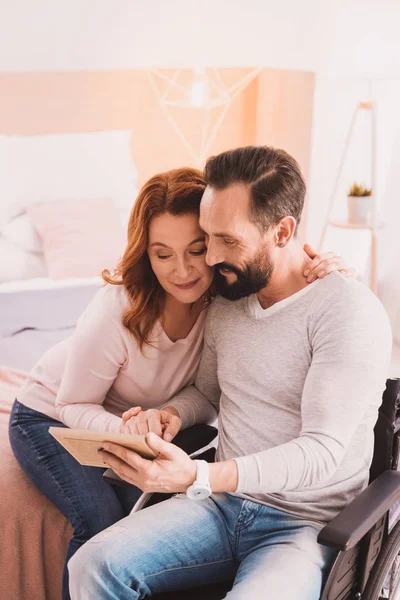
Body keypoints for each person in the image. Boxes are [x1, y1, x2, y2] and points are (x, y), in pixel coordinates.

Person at [68, 146, 392, 600]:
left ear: (282, 231)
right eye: (208, 237)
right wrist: (174, 415)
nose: (212, 258)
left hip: (302, 526)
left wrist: (198, 478)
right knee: (92, 565)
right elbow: (207, 392)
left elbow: (321, 451)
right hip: (220, 509)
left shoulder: (347, 312)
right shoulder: (228, 300)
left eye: (228, 241)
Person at [8, 166, 343, 600]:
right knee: (104, 521)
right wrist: (131, 432)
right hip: (52, 415)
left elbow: (206, 394)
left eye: (196, 250)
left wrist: (324, 267)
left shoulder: (226, 299)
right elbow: (72, 404)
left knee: (164, 503)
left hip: (145, 422)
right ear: (144, 253)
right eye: (161, 253)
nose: (181, 270)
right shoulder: (118, 308)